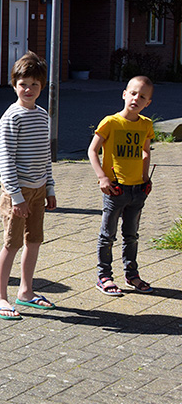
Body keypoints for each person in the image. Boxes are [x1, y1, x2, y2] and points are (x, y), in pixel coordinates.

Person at [0, 52, 56, 320]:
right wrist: (16, 197)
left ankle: (26, 292)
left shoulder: (42, 115)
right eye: (23, 84)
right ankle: (0, 297)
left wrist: (49, 188)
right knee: (12, 244)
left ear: (42, 86)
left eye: (34, 85)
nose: (28, 90)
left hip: (38, 190)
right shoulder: (11, 118)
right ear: (14, 84)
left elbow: (45, 156)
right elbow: (5, 162)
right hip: (16, 193)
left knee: (34, 240)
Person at [88, 75, 155, 296]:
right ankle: (104, 276)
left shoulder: (146, 125)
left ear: (148, 103)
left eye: (142, 96)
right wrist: (102, 178)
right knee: (107, 236)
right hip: (115, 189)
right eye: (133, 93)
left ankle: (131, 275)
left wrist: (145, 178)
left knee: (132, 235)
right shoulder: (111, 122)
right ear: (124, 94)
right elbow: (92, 150)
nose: (136, 98)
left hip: (138, 190)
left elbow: (146, 151)